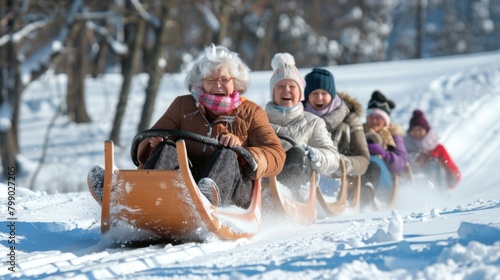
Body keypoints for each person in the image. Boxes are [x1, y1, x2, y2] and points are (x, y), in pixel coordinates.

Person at [88, 44, 286, 209]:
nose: (218, 85)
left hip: (233, 188)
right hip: (186, 184)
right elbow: (149, 138)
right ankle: (125, 199)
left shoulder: (251, 112)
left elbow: (276, 154)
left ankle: (207, 200)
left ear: (236, 82)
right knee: (166, 147)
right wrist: (152, 143)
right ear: (201, 84)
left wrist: (242, 154)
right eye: (211, 80)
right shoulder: (183, 105)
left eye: (224, 79)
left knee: (226, 153)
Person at [264, 53, 340, 189]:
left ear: (300, 94)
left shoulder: (313, 122)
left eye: (292, 87)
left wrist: (317, 156)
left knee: (297, 153)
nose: (286, 90)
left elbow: (333, 158)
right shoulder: (259, 118)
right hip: (262, 184)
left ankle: (286, 195)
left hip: (297, 188)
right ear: (273, 92)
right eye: (281, 86)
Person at [303, 68, 369, 178]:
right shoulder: (299, 116)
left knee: (343, 128)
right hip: (304, 178)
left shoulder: (349, 118)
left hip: (339, 180)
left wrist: (342, 163)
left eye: (324, 93)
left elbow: (363, 159)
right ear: (307, 95)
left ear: (332, 94)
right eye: (314, 93)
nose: (319, 98)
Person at [361, 90, 408, 206]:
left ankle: (367, 192)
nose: (374, 120)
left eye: (379, 117)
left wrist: (384, 154)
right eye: (371, 116)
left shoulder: (393, 136)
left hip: (385, 182)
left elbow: (401, 163)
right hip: (359, 174)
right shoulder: (358, 132)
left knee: (374, 160)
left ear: (386, 120)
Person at [404, 109, 461, 189]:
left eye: (420, 130)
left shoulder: (437, 148)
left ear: (426, 131)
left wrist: (452, 176)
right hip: (412, 182)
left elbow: (450, 166)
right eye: (414, 130)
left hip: (435, 182)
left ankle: (438, 194)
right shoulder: (404, 148)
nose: (417, 133)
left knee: (432, 163)